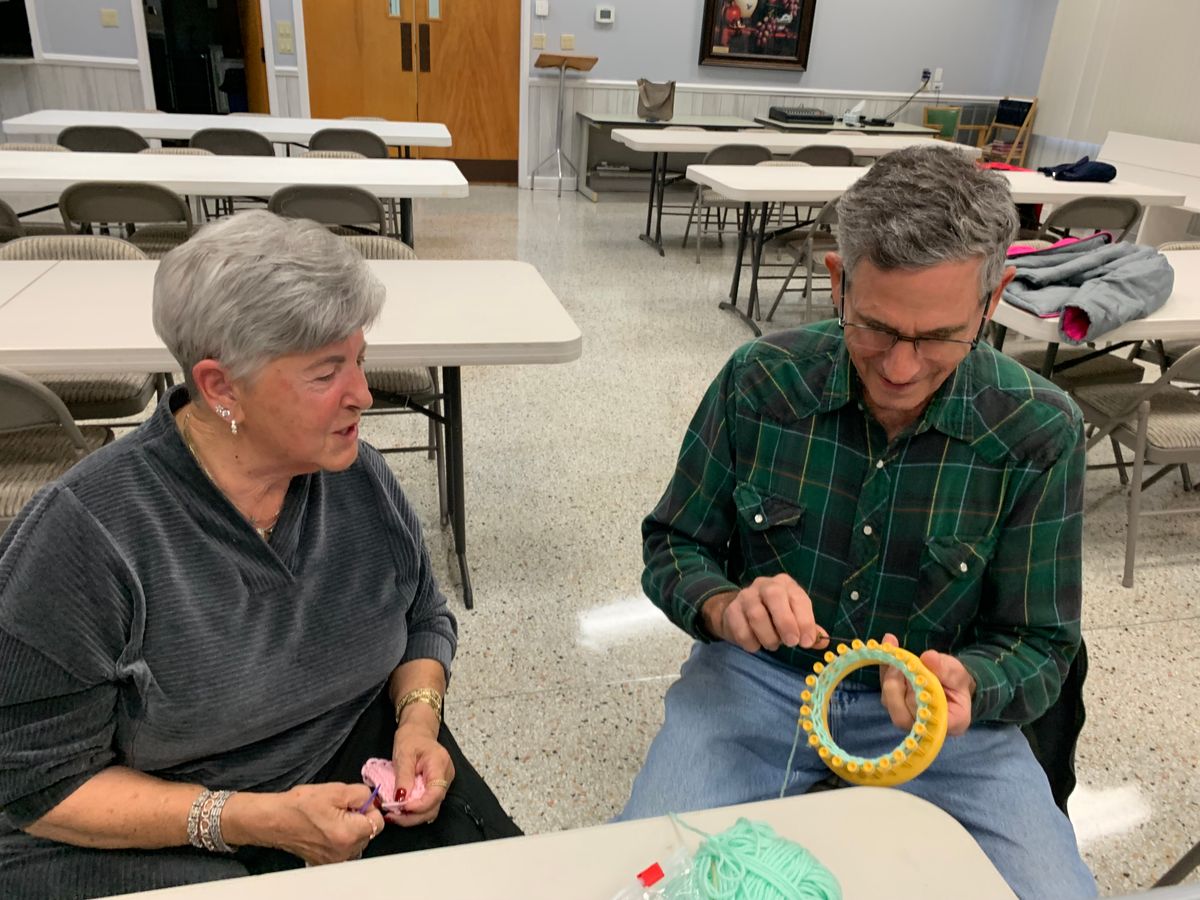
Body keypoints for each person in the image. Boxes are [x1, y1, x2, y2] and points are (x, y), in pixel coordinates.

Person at [620, 144, 1096, 899]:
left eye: (938, 337)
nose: (901, 369)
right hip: (760, 686)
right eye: (875, 327)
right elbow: (674, 544)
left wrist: (969, 682)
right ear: (839, 279)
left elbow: (1042, 643)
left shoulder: (1037, 430)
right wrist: (723, 604)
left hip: (939, 721)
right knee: (642, 878)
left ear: (993, 298)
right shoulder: (760, 381)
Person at [0, 211, 519, 899]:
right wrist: (250, 820)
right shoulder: (86, 536)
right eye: (326, 373)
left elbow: (421, 615)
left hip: (347, 766)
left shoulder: (357, 478)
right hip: (158, 819)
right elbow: (38, 783)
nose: (363, 395)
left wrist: (419, 720)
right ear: (221, 389)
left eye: (360, 360)